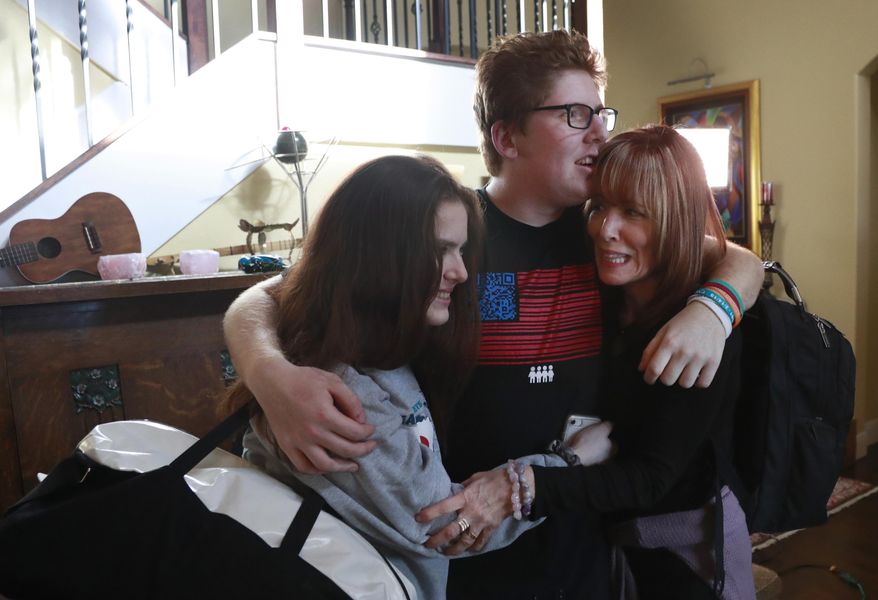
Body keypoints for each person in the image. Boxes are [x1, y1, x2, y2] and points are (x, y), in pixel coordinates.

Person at [222, 31, 765, 599]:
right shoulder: (451, 229)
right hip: (460, 545)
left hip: (582, 537)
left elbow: (735, 258)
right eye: (575, 115)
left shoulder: (608, 235)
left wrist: (713, 309)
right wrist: (269, 376)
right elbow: (269, 297)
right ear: (506, 136)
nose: (601, 133)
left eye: (600, 112)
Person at [228, 154, 591, 599]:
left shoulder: (380, 342)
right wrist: (570, 464)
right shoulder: (337, 390)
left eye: (459, 251)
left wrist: (706, 305)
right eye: (440, 251)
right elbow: (439, 525)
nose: (461, 272)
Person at [420, 125, 756, 599]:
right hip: (581, 543)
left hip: (685, 549)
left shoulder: (693, 326)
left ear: (673, 220)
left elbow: (652, 477)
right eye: (598, 207)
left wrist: (522, 485)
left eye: (633, 212)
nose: (604, 227)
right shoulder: (594, 280)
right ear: (507, 138)